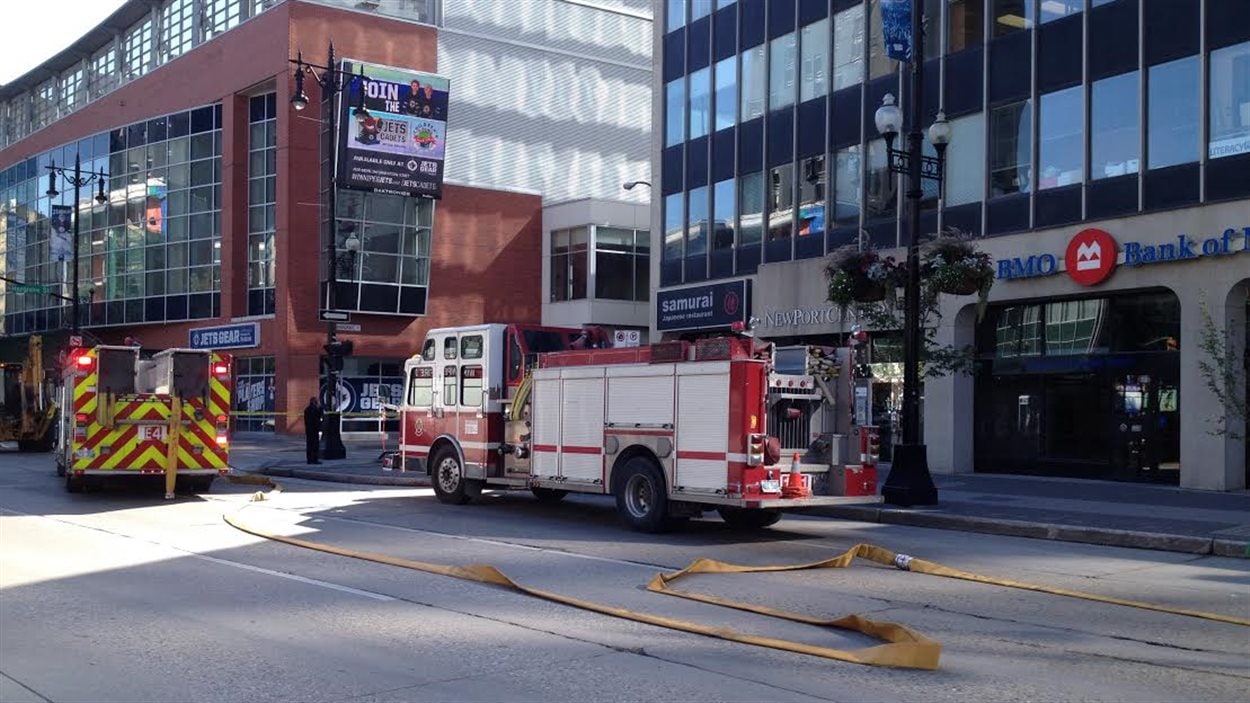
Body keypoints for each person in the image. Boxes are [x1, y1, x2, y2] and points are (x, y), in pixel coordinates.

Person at [303, 397, 323, 464]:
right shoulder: (316, 410)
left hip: (309, 430)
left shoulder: (307, 410)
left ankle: (309, 459)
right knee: (315, 445)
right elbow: (320, 417)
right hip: (314, 430)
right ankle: (314, 459)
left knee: (309, 445)